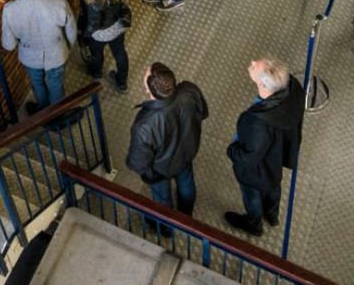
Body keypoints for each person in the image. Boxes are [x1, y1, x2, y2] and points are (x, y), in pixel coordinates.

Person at [224, 58, 305, 236]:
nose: (252, 61)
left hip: (256, 171)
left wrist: (231, 150)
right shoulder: (292, 88)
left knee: (252, 194)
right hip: (276, 159)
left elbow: (250, 157)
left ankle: (254, 224)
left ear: (262, 83)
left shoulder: (257, 123)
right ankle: (272, 215)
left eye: (255, 66)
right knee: (273, 186)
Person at [126, 62, 209, 220]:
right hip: (186, 154)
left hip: (160, 170)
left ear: (149, 90)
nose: (146, 70)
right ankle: (186, 215)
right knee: (187, 185)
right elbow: (203, 113)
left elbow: (138, 162)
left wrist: (150, 175)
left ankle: (165, 227)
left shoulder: (144, 125)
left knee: (162, 199)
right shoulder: (189, 90)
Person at [0, 0, 77, 114]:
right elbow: (71, 30)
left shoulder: (10, 10)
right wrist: (67, 48)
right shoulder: (58, 0)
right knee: (56, 85)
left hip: (30, 57)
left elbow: (9, 45)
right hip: (57, 53)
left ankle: (43, 112)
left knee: (37, 84)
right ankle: (58, 114)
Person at [79, 0, 130, 92]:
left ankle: (96, 71)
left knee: (97, 53)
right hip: (118, 25)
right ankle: (122, 82)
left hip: (100, 32)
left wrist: (86, 35)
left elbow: (94, 22)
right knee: (120, 53)